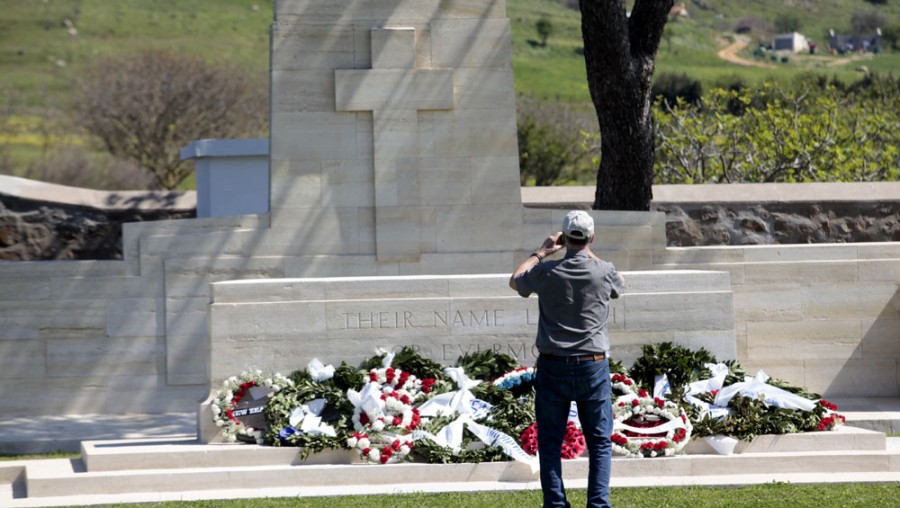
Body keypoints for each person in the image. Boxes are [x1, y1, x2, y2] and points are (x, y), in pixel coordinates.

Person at [509, 210, 624, 508]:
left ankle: (556, 504)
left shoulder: (547, 271)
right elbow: (617, 286)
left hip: (553, 364)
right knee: (599, 443)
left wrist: (542, 252)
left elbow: (515, 280)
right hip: (592, 364)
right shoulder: (605, 270)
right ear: (591, 237)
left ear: (562, 238)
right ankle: (598, 505)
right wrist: (587, 248)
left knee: (549, 443)